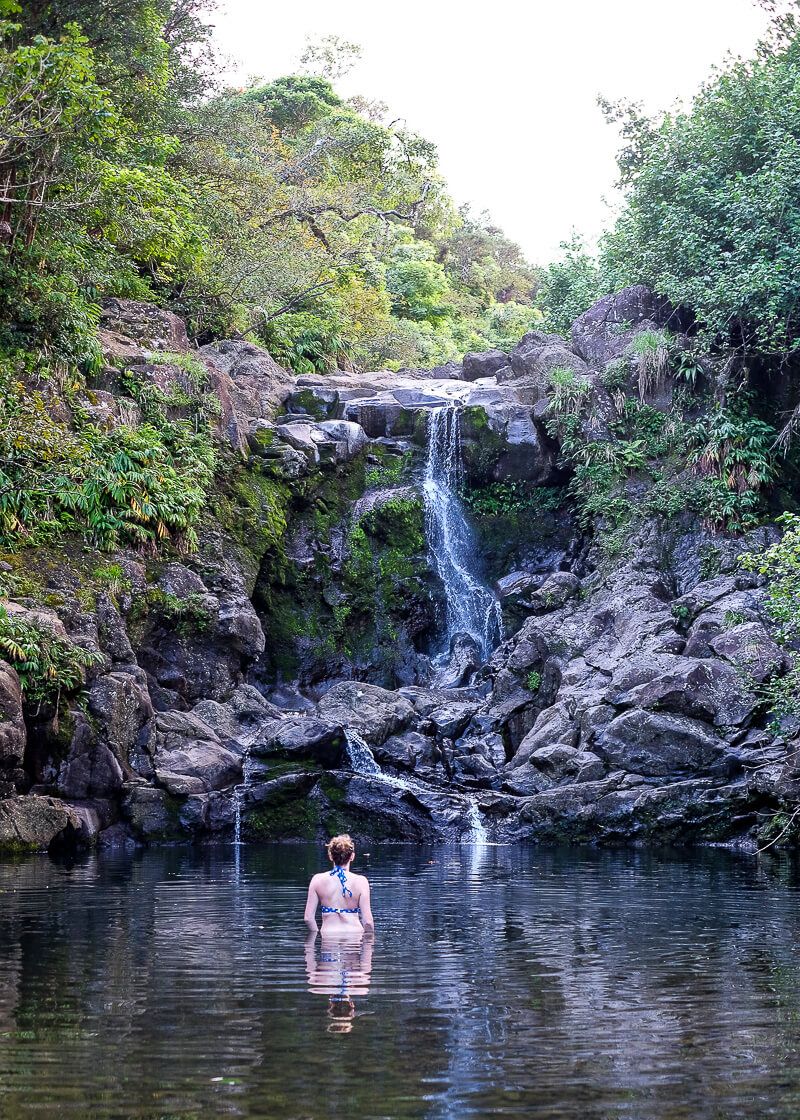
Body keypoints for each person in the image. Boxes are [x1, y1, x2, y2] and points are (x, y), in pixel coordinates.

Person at [304, 833, 374, 936]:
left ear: (330, 856)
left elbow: (308, 918)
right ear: (352, 856)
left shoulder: (317, 880)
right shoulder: (361, 881)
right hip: (354, 937)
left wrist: (315, 935)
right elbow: (368, 922)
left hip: (329, 936)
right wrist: (369, 943)